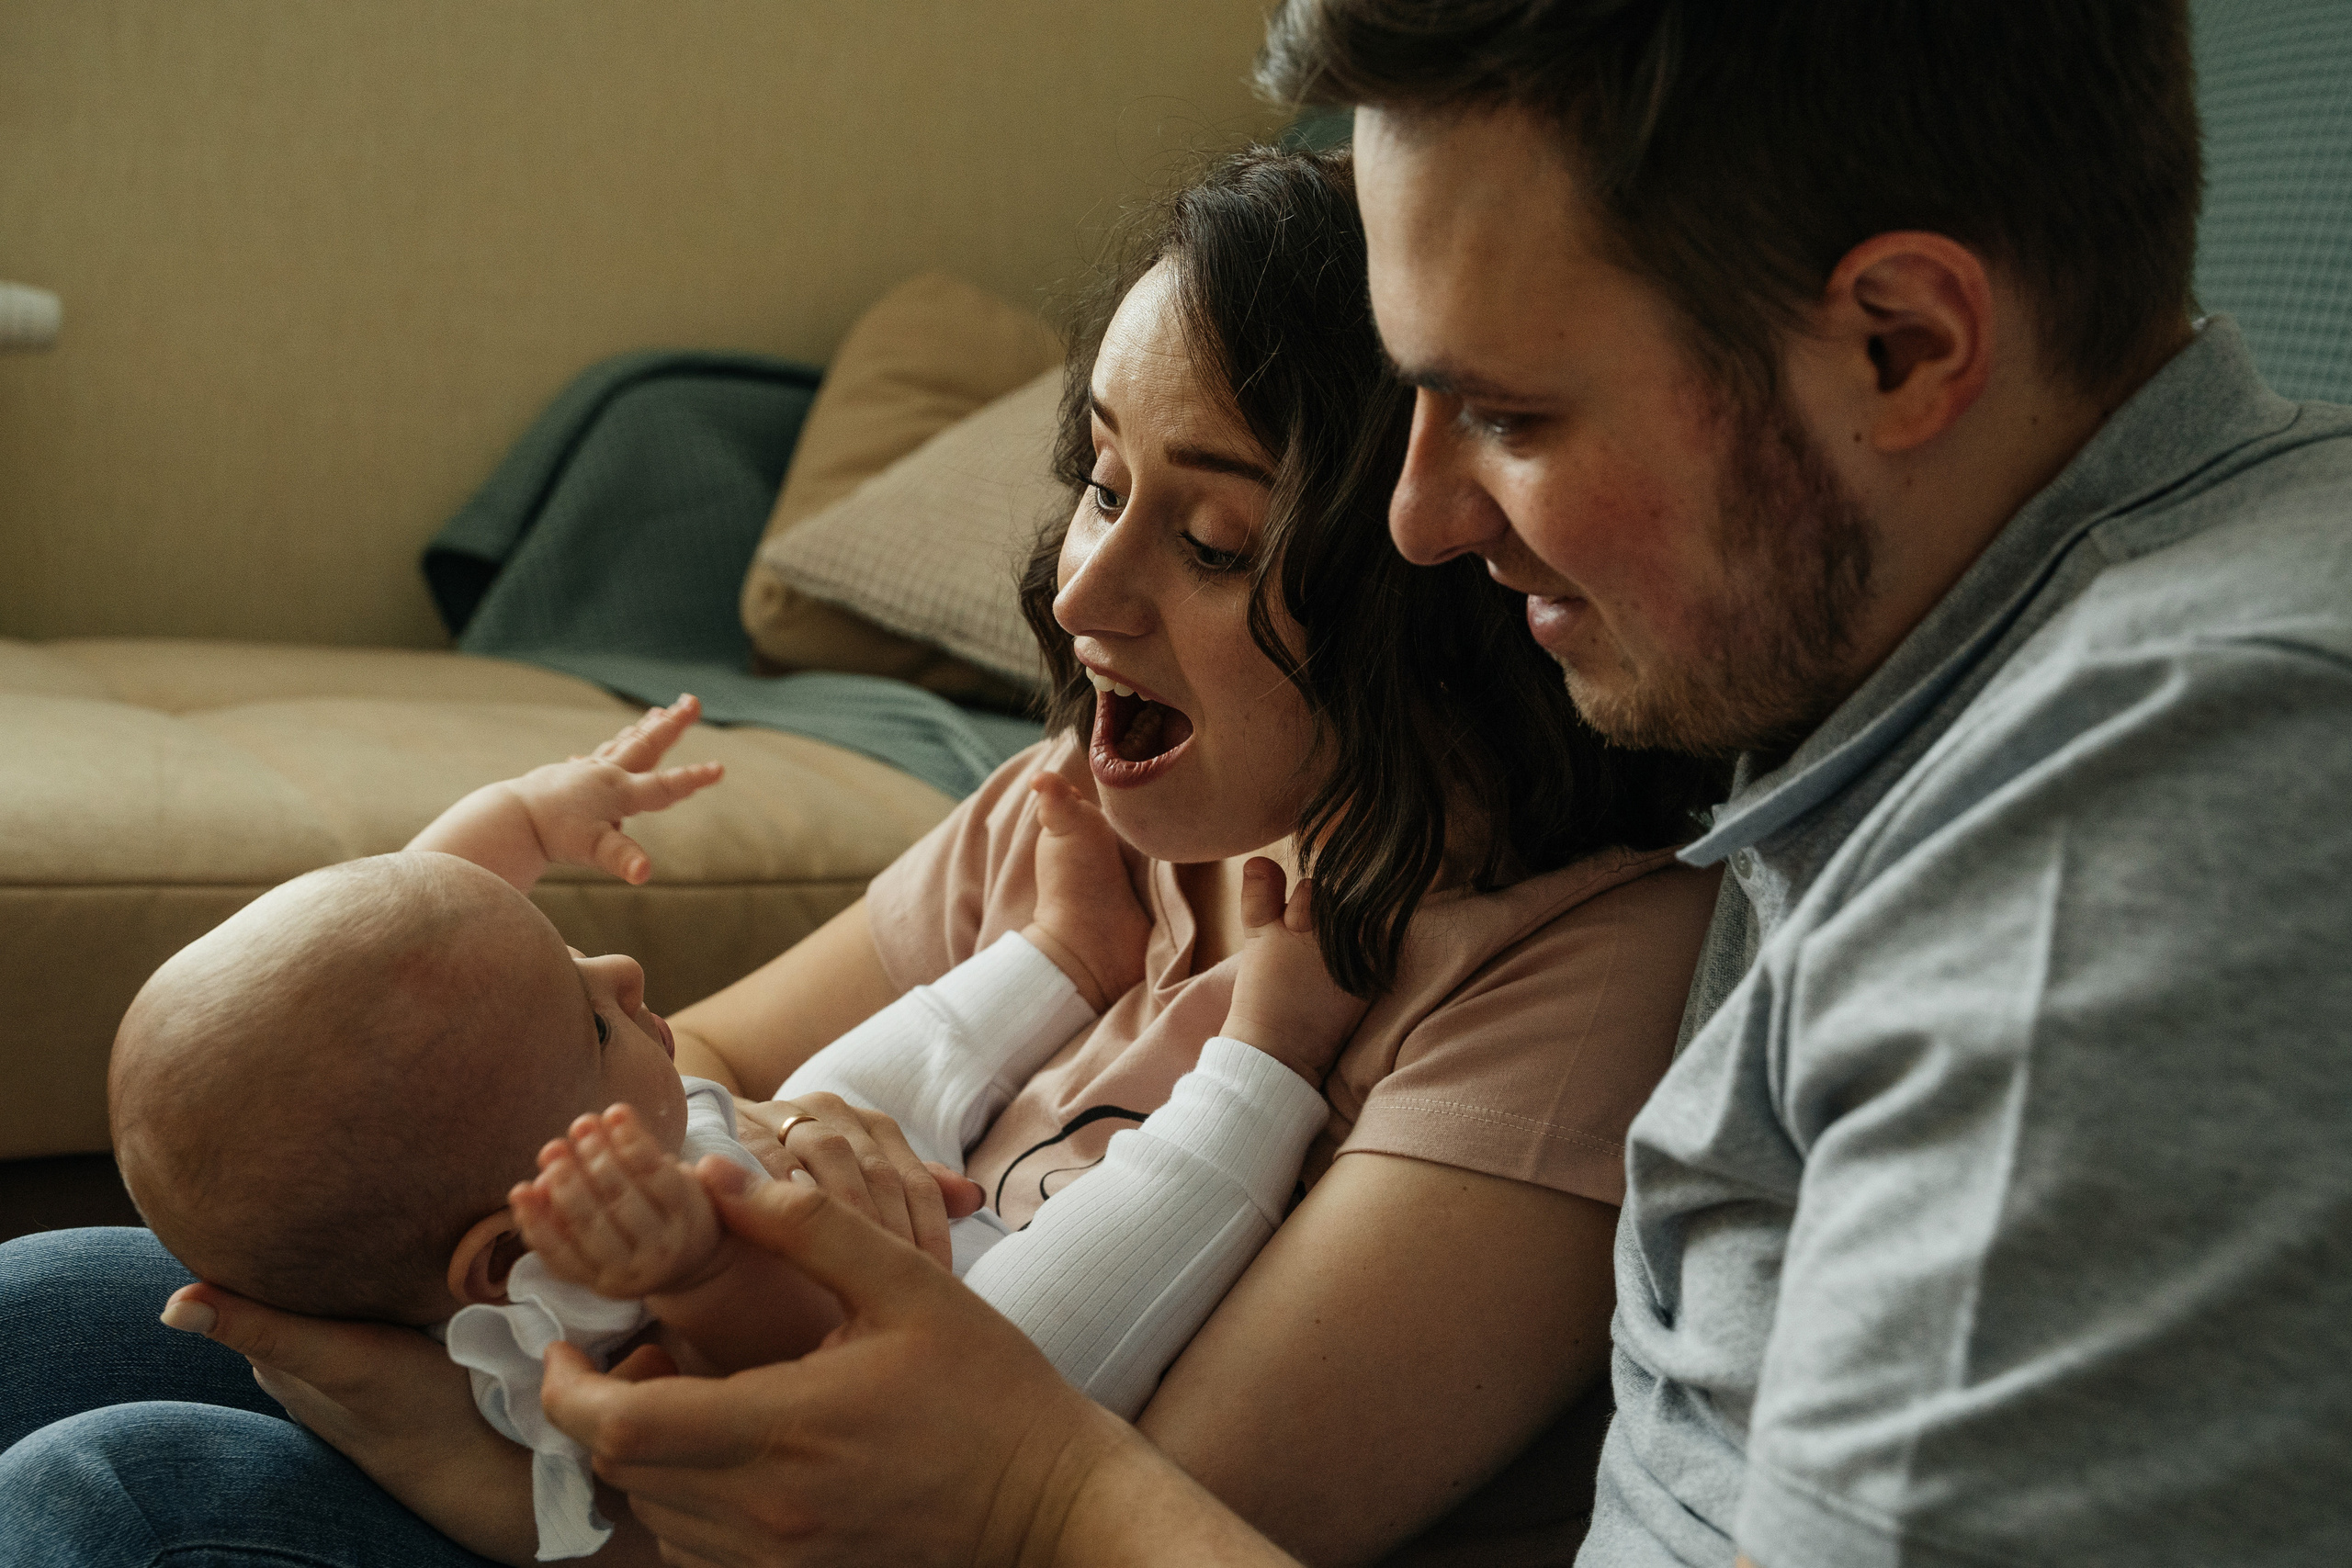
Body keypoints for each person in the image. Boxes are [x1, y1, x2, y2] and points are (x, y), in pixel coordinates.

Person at [455, 1, 2352, 1564]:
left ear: (1900, 343)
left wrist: (1030, 1488)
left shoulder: (2141, 812)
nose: (1424, 523)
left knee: (158, 1486)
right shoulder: (1923, 703)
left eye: (1511, 416)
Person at [0, 144, 1726, 1566]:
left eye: (1209, 541)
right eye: (1102, 485)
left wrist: (479, 1451)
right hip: (644, 1422)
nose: (1078, 597)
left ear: (1437, 576)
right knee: (56, 1305)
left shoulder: (1570, 983)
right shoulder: (1081, 817)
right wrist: (762, 1181)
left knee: (113, 1492)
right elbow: (666, 1076)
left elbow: (1123, 1517)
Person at [106, 691, 1365, 1561]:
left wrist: (528, 820)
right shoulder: (580, 1319)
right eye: (590, 1021)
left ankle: (1062, 956)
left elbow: (410, 958)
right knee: (1030, 1321)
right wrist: (702, 1271)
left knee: (840, 1100)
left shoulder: (534, 1164)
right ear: (512, 1265)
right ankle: (1264, 1067)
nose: (624, 975)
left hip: (835, 1228)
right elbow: (829, 1395)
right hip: (936, 1419)